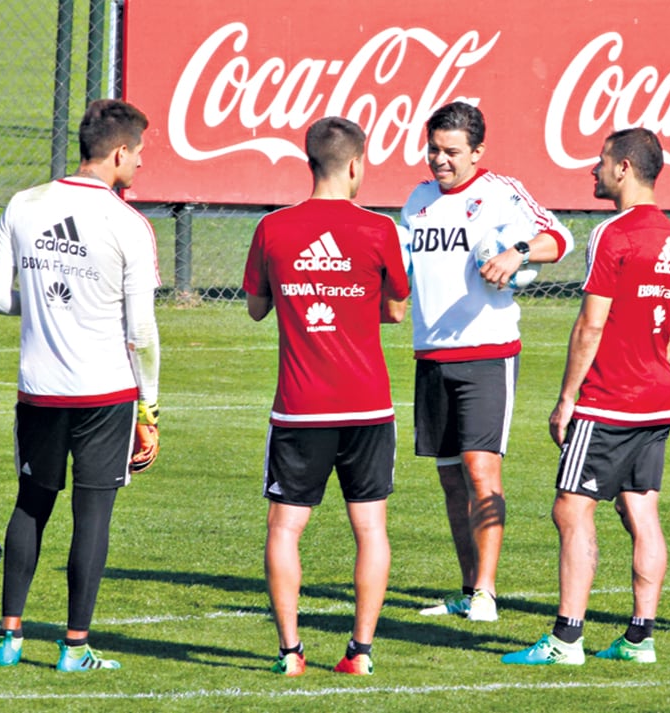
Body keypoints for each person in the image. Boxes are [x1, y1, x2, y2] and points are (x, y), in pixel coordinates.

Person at [0, 98, 160, 672]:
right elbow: (141, 332)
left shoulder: (24, 202)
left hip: (39, 388)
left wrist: (40, 304)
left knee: (31, 504)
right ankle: (75, 647)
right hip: (105, 394)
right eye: (140, 152)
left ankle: (9, 639)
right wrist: (150, 409)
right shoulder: (128, 223)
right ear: (119, 152)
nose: (141, 163)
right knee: (93, 516)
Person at [502, 128, 670, 665]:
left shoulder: (614, 233)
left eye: (602, 160)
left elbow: (591, 324)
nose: (594, 169)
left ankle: (566, 639)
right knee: (641, 509)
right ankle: (639, 638)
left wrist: (567, 398)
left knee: (571, 508)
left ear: (624, 168)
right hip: (659, 397)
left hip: (611, 397)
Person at [243, 116, 410, 676]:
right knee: (371, 528)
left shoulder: (272, 228)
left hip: (300, 408)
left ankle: (290, 653)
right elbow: (396, 311)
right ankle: (360, 653)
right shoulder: (380, 229)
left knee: (285, 527)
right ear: (357, 164)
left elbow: (257, 307)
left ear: (309, 162)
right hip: (368, 407)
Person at [401, 101, 574, 622]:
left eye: (452, 151)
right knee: (451, 479)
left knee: (481, 471)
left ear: (478, 152)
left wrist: (516, 251)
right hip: (431, 355)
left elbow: (559, 238)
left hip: (488, 354)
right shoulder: (417, 200)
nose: (440, 159)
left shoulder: (500, 192)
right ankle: (466, 586)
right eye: (434, 149)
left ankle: (486, 594)